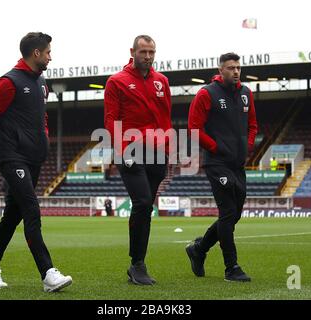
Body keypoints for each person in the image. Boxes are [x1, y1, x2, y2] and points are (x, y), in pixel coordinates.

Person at [0, 32, 72, 292]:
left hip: (33, 158)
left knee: (13, 215)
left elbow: (41, 117)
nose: (50, 56)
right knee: (31, 210)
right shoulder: (8, 82)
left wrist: (43, 137)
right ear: (36, 53)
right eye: (47, 52)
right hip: (12, 157)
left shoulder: (41, 82)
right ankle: (48, 274)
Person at [104, 35, 172, 285]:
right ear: (132, 51)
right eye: (143, 51)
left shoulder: (162, 81)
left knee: (145, 208)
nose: (148, 56)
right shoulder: (116, 82)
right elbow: (111, 120)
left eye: (151, 52)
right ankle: (137, 264)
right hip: (130, 150)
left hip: (157, 152)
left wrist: (167, 148)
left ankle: (138, 262)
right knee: (142, 202)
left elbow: (166, 117)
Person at [186, 52, 258, 282]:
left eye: (238, 67)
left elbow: (253, 125)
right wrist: (216, 148)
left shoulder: (247, 93)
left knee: (234, 214)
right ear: (220, 70)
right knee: (227, 213)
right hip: (217, 163)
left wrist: (246, 148)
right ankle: (231, 268)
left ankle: (199, 249)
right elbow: (194, 129)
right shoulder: (207, 93)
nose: (236, 71)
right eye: (230, 68)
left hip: (237, 164)